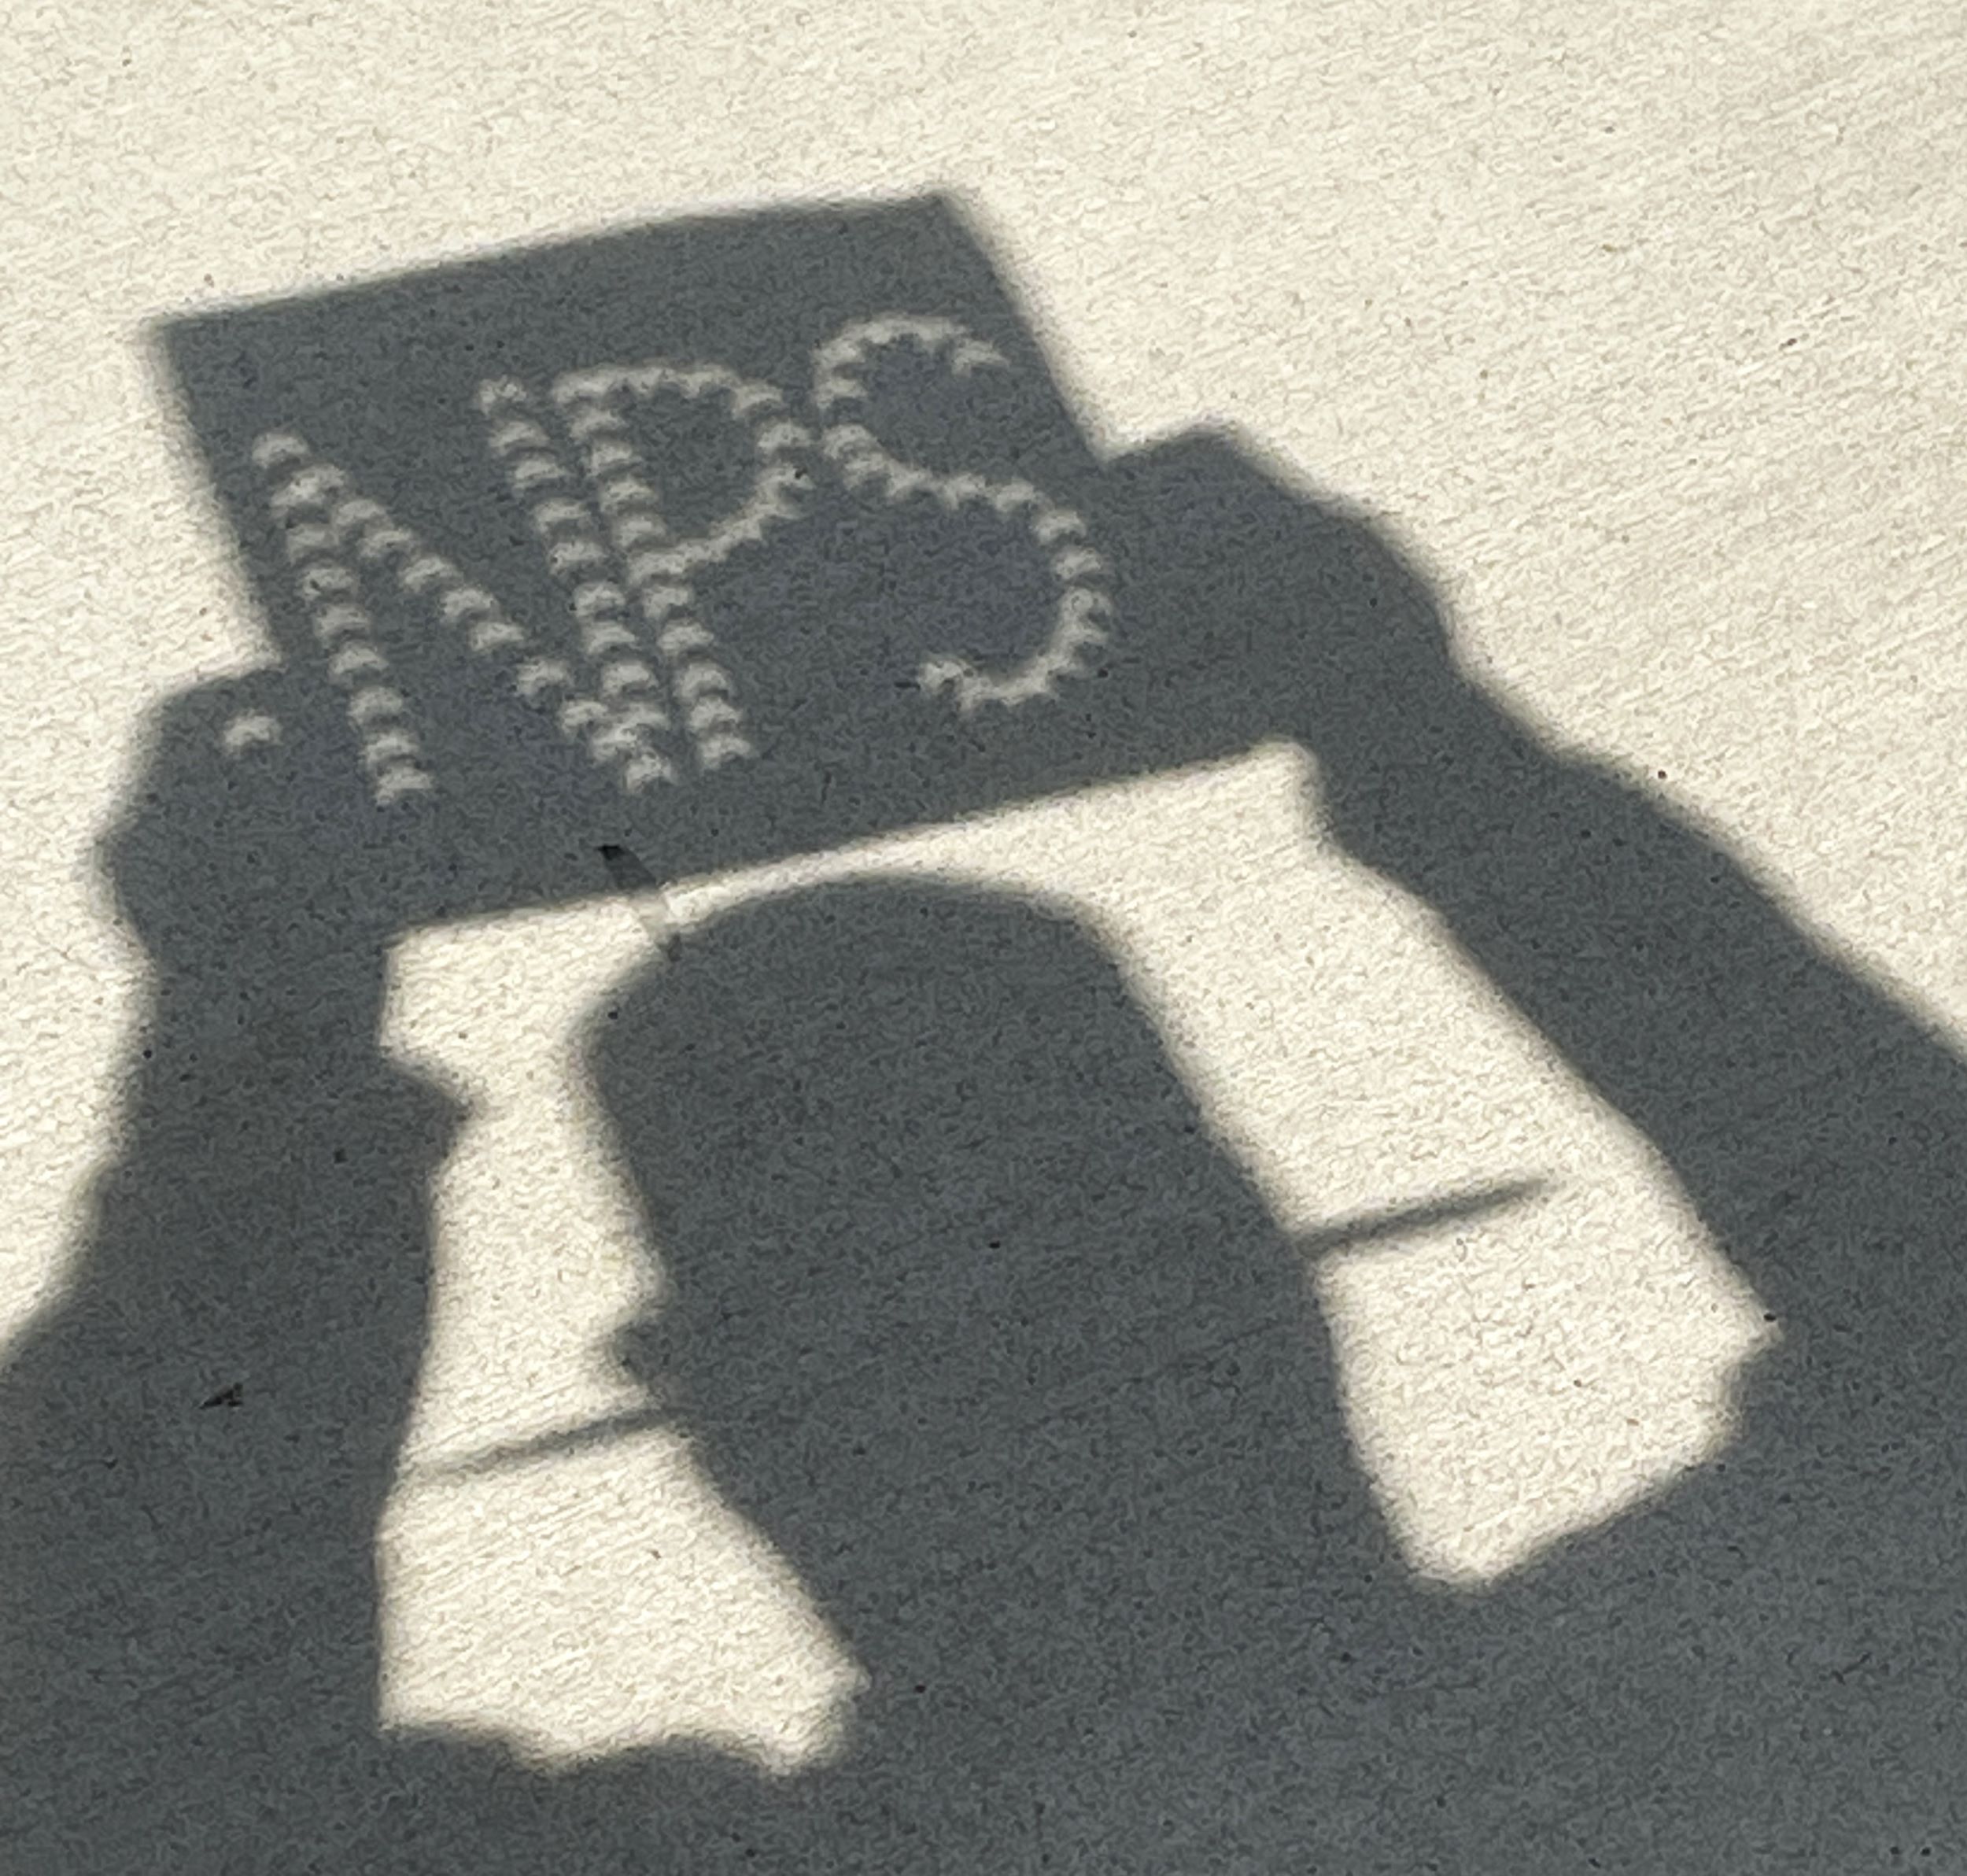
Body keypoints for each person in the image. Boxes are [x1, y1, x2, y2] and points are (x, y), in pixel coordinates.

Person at [5, 430, 1963, 1869]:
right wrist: (1439, 762)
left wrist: (249, 1086)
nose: (1044, 1376)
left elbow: (102, 1763)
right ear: (1264, 1269)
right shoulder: (1721, 1738)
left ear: (714, 1416)